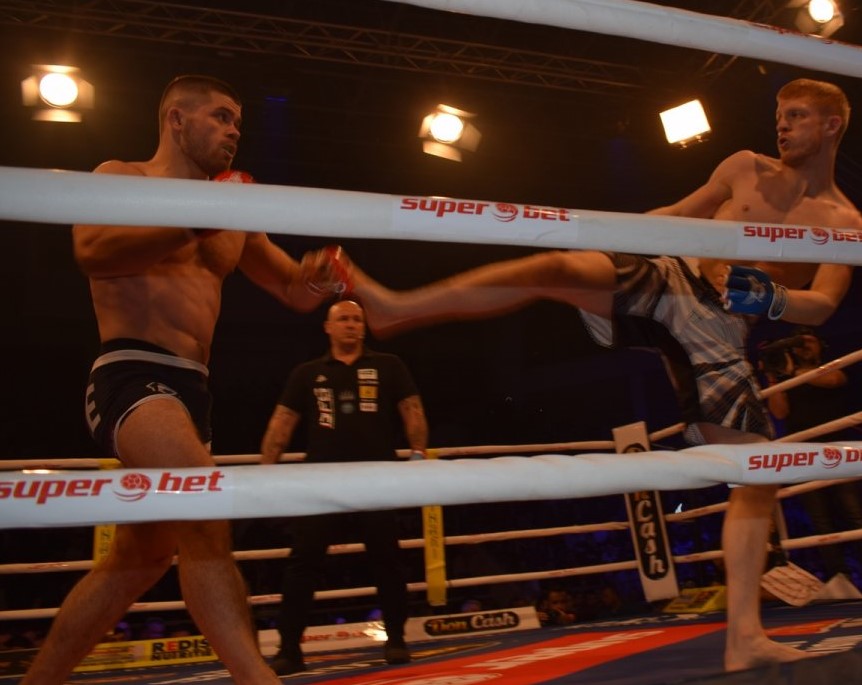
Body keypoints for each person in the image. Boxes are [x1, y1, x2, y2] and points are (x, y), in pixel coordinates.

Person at [332, 78, 861, 671]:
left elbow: (823, 303)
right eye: (780, 114)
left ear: (832, 125)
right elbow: (675, 217)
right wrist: (610, 237)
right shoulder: (745, 167)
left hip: (719, 329)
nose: (781, 125)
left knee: (756, 474)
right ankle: (398, 307)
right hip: (671, 277)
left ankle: (744, 637)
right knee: (556, 267)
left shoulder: (843, 220)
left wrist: (772, 297)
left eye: (796, 116)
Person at [21, 75, 340, 685]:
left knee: (140, 559)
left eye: (238, 122)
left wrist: (322, 273)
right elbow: (93, 252)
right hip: (132, 372)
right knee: (204, 509)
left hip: (194, 390)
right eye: (220, 117)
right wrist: (195, 220)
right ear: (176, 119)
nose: (233, 131)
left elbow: (293, 290)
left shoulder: (231, 211)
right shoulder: (123, 177)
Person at [260, 299, 429, 675]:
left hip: (377, 478)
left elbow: (412, 408)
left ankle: (397, 640)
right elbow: (282, 421)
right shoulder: (308, 372)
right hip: (322, 480)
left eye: (357, 319)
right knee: (303, 561)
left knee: (387, 560)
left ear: (363, 327)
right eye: (344, 319)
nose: (351, 324)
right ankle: (289, 648)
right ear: (328, 327)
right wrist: (265, 473)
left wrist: (418, 454)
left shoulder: (388, 365)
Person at [763, 327, 862, 580]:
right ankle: (840, 579)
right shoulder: (788, 379)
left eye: (809, 341)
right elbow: (779, 412)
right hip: (804, 453)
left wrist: (793, 372)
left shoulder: (833, 366)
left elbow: (832, 380)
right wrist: (773, 377)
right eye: (798, 343)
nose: (804, 346)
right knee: (820, 520)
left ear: (821, 346)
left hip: (838, 449)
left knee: (854, 512)